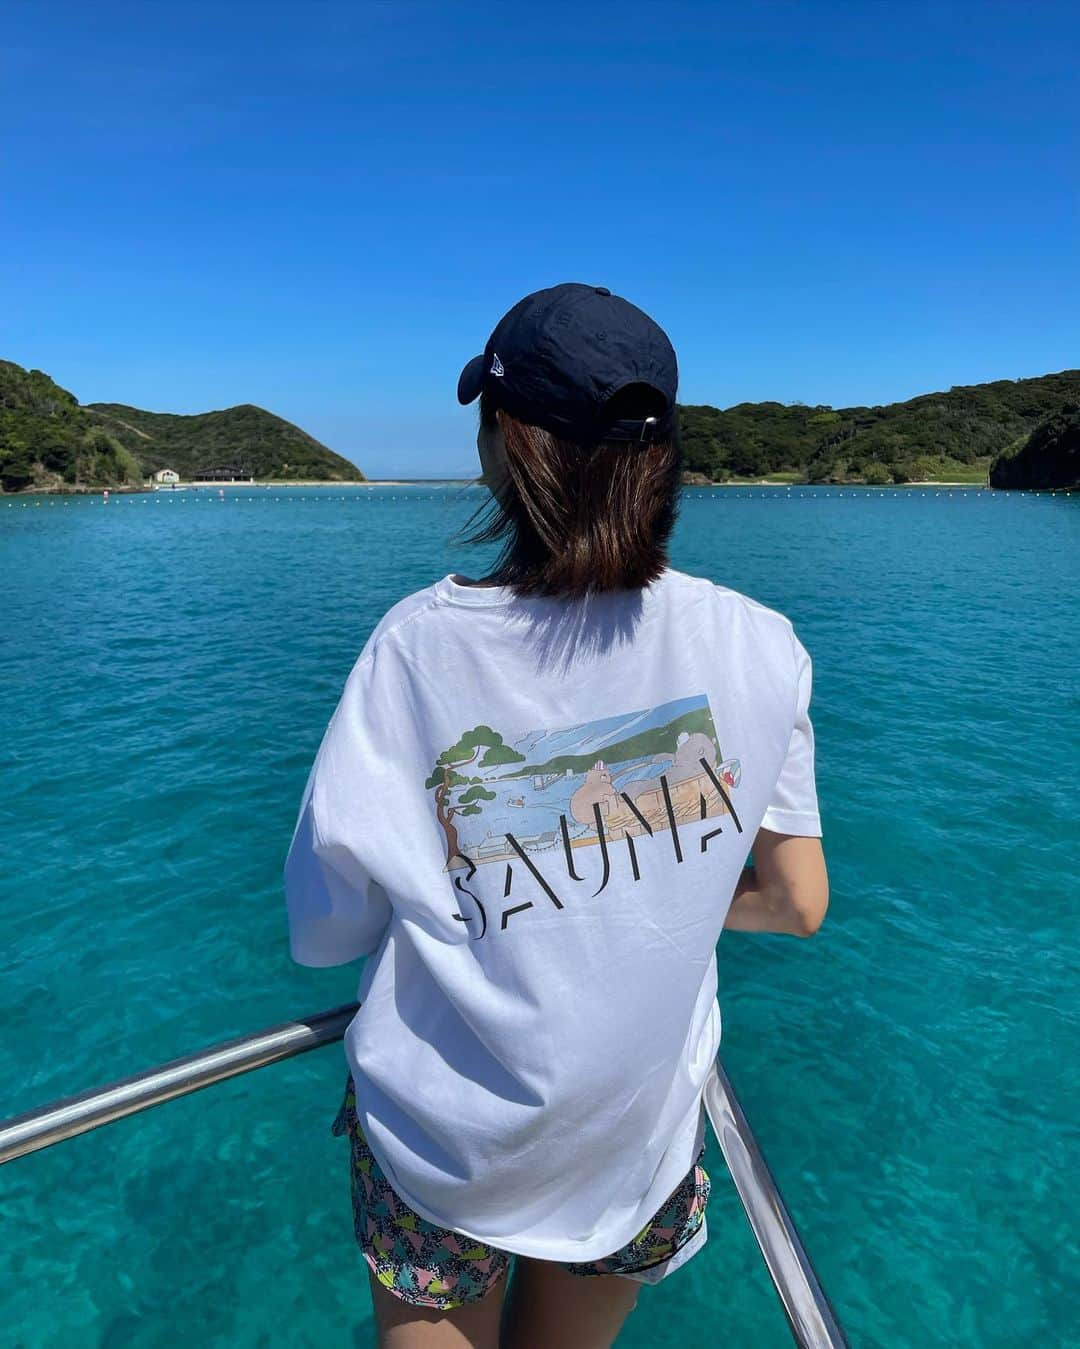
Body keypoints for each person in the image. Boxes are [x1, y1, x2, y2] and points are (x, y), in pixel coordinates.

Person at [284, 282, 829, 1348]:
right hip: (634, 1134)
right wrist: (652, 893)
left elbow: (324, 931)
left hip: (451, 1139)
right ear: (661, 457)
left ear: (506, 444)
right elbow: (796, 900)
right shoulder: (762, 643)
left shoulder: (418, 646)